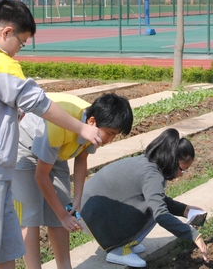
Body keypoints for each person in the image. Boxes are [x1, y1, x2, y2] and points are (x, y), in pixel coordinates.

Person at [0, 0, 103, 269]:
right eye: (21, 43)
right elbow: (39, 102)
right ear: (6, 32)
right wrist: (81, 127)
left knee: (6, 244)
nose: (18, 51)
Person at [13, 92, 133, 269]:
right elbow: (41, 176)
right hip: (25, 147)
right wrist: (62, 216)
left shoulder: (94, 127)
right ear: (92, 122)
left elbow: (81, 158)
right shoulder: (59, 128)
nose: (110, 139)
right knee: (30, 216)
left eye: (115, 135)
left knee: (64, 208)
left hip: (57, 152)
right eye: (110, 133)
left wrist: (76, 199)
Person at [80, 128, 209, 268]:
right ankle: (118, 250)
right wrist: (193, 234)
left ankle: (124, 242)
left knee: (153, 205)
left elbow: (157, 199)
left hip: (89, 207)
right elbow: (161, 214)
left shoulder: (148, 163)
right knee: (154, 212)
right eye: (182, 169)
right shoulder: (152, 176)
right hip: (93, 214)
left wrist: (185, 210)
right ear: (172, 160)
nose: (181, 174)